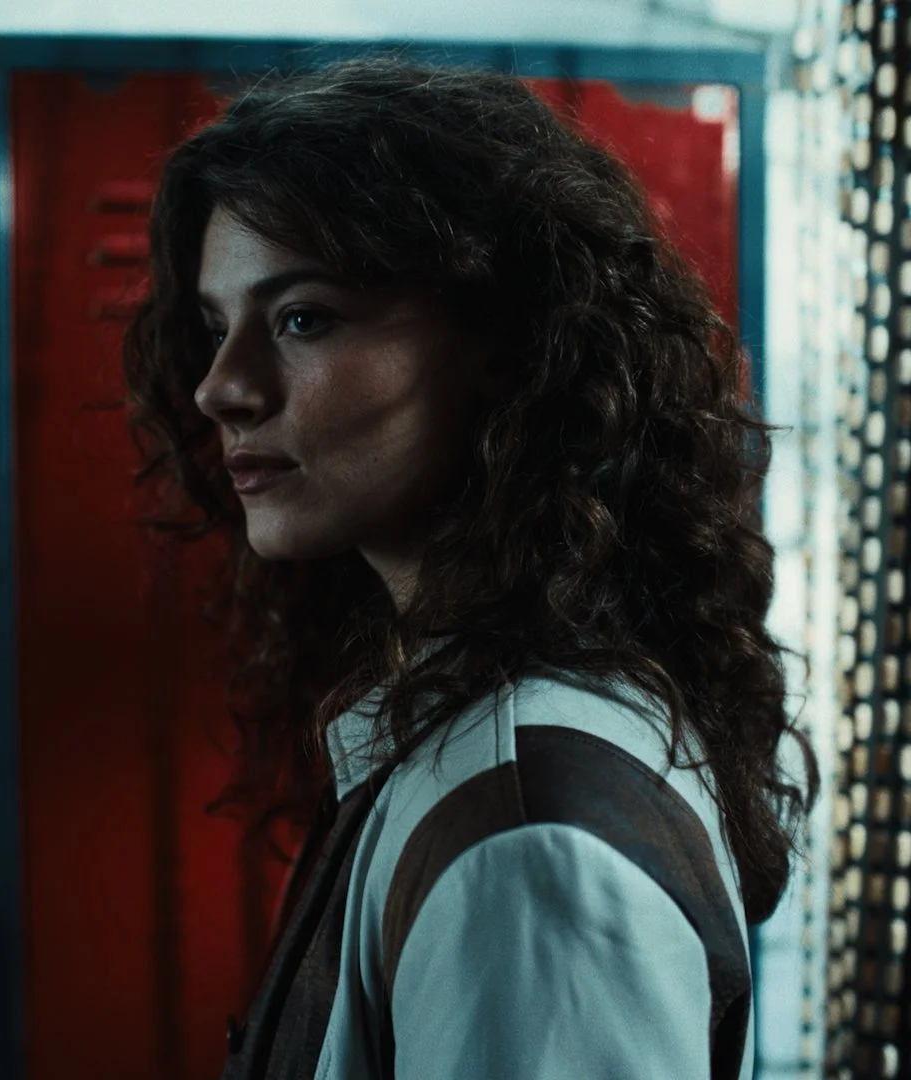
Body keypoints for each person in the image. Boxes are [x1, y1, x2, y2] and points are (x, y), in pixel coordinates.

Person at [122, 54, 817, 1080]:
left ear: (505, 342)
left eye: (303, 318)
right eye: (218, 329)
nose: (221, 388)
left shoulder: (527, 838)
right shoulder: (458, 721)